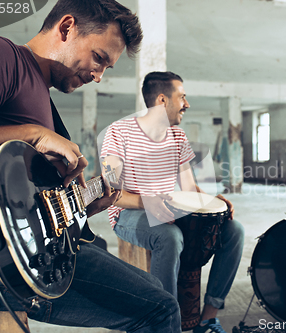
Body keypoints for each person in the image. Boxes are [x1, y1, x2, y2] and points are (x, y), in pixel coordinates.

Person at [0, 1, 182, 332]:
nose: (98, 77)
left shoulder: (42, 100)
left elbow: (32, 207)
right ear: (66, 27)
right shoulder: (1, 55)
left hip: (25, 257)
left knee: (156, 291)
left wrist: (84, 206)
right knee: (161, 309)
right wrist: (35, 136)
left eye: (106, 68)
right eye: (99, 58)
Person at [101, 71, 245, 333]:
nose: (187, 104)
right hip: (128, 213)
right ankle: (166, 323)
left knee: (234, 230)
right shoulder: (118, 133)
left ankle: (208, 318)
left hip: (169, 209)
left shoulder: (178, 137)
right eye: (182, 97)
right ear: (162, 100)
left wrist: (213, 201)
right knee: (169, 236)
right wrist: (147, 201)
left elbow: (189, 188)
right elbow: (110, 191)